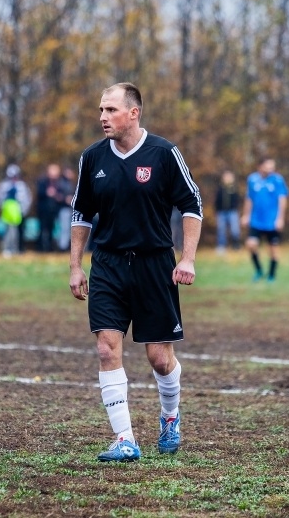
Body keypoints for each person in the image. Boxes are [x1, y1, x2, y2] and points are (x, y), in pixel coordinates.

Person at [69, 82, 203, 462]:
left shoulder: (164, 153)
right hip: (108, 264)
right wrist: (76, 265)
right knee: (106, 347)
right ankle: (124, 438)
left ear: (133, 113)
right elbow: (81, 213)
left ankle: (170, 417)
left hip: (154, 264)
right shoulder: (92, 158)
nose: (102, 117)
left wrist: (187, 257)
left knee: (160, 358)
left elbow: (192, 205)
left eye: (110, 110)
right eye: (100, 110)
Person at [241, 157, 289, 282]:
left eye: (272, 167)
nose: (271, 169)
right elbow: (249, 199)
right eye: (268, 166)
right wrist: (246, 215)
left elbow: (282, 200)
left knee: (273, 250)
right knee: (251, 245)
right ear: (260, 166)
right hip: (256, 220)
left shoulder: (277, 180)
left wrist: (280, 219)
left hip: (272, 222)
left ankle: (271, 275)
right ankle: (259, 270)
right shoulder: (252, 179)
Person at [0, 164, 32, 257]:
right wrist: (3, 206)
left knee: (17, 231)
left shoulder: (22, 185)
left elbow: (27, 198)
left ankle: (16, 249)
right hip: (8, 211)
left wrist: (24, 210)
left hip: (18, 212)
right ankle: (7, 249)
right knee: (7, 231)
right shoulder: (3, 185)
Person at [36, 164, 66, 252]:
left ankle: (49, 248)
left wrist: (57, 196)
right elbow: (39, 194)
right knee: (42, 229)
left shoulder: (59, 184)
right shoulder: (42, 182)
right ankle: (40, 248)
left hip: (53, 210)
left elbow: (62, 196)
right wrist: (47, 193)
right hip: (43, 210)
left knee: (51, 230)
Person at [214, 170, 242, 253]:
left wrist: (236, 207)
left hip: (232, 212)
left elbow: (238, 200)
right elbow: (217, 201)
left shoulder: (234, 188)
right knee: (221, 230)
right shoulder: (220, 189)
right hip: (221, 212)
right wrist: (217, 210)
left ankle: (236, 246)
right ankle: (221, 247)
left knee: (235, 230)